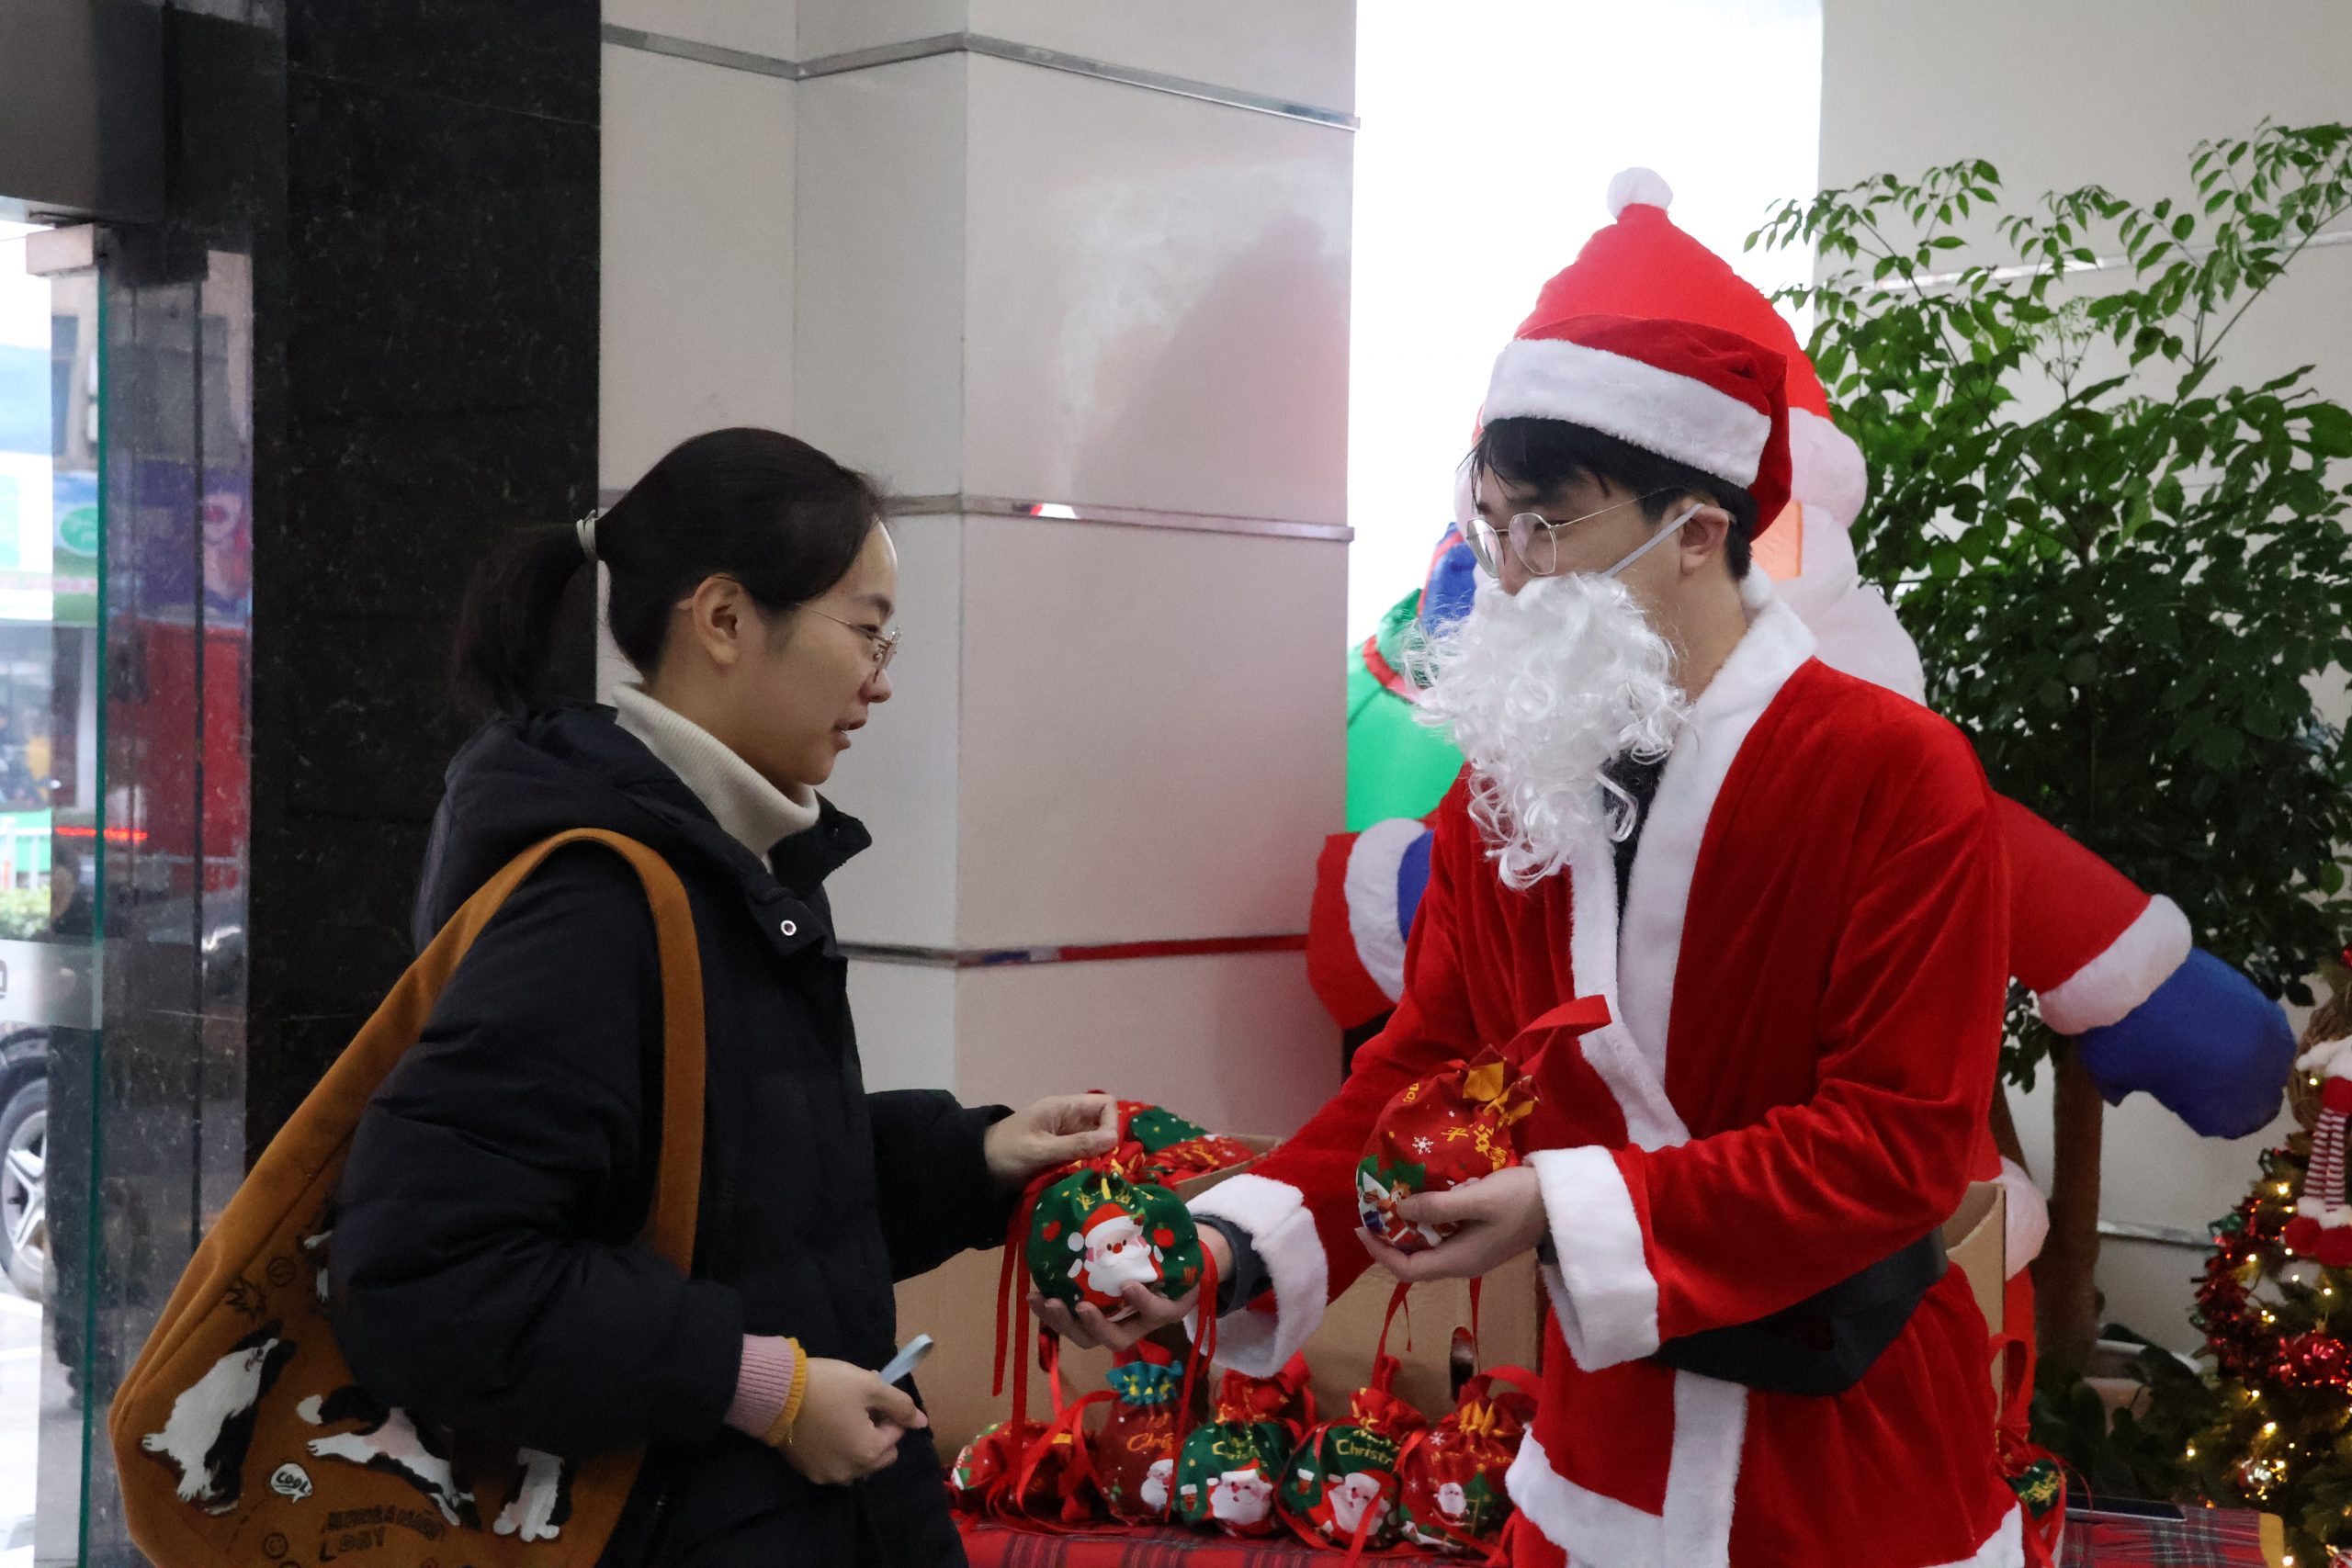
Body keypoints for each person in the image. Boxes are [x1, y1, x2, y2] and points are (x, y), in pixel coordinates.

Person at [1045, 315, 2022, 1566]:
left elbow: (1898, 1143)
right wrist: (1232, 1245)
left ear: (1697, 532)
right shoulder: (1514, 787)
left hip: (1853, 1462)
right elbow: (1428, 1065)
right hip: (1599, 1455)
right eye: (1492, 525)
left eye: (1547, 528)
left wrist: (1560, 1204)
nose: (1506, 574)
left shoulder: (1895, 775)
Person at [330, 428, 1117, 1567]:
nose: (882, 677)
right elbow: (427, 1276)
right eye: (867, 630)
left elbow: (738, 1200)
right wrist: (764, 1391)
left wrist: (973, 1160)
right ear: (725, 620)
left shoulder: (731, 862)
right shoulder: (595, 902)